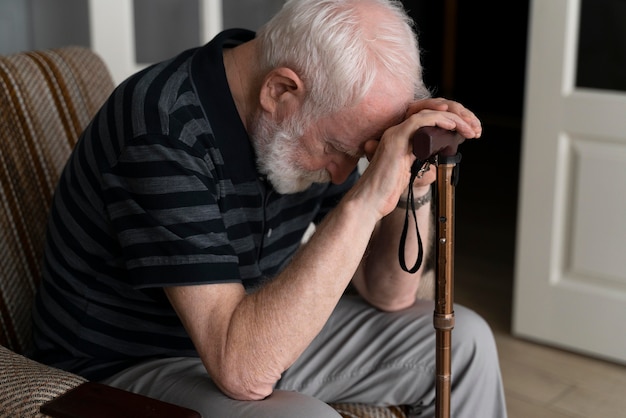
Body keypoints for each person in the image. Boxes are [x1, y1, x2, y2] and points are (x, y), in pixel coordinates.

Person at [30, 0, 507, 416]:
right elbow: (242, 372)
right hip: (125, 368)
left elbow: (390, 294)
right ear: (280, 90)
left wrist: (412, 183)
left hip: (257, 329)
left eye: (359, 156)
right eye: (339, 150)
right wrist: (364, 203)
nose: (344, 174)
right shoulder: (163, 129)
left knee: (464, 342)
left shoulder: (310, 117)